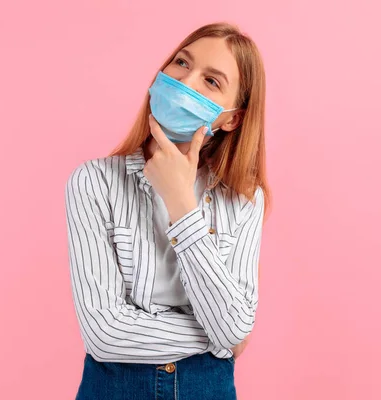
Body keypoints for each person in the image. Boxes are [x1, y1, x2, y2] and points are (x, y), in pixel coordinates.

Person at [65, 22, 270, 400]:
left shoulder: (243, 197)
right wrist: (218, 336)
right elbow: (105, 332)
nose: (186, 82)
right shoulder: (94, 182)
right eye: (181, 63)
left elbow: (236, 327)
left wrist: (181, 203)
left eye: (211, 81)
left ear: (231, 118)